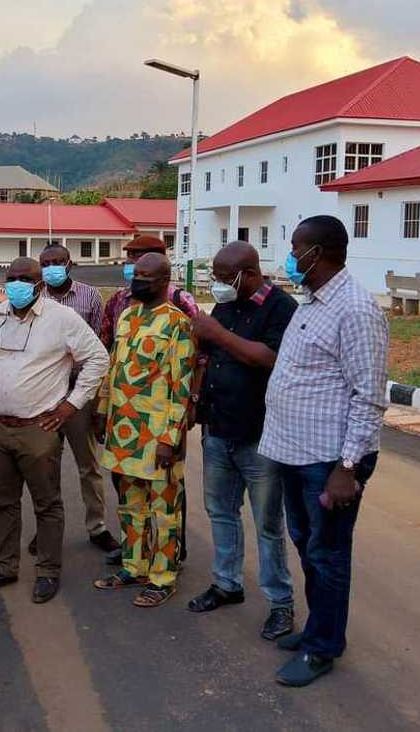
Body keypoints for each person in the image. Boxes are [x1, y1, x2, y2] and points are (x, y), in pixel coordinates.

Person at [258, 215, 388, 687]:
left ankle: (322, 648)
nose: (291, 256)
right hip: (296, 452)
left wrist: (347, 467)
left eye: (296, 247)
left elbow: (369, 395)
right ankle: (319, 628)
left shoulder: (355, 309)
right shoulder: (312, 302)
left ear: (318, 252)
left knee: (328, 553)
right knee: (307, 545)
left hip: (330, 461)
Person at [0, 257, 109, 604]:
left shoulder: (62, 318)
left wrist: (71, 404)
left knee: (47, 503)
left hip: (39, 428)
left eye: (25, 279)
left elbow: (98, 358)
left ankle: (48, 570)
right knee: (2, 502)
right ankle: (4, 565)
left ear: (40, 284)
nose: (17, 284)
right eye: (12, 277)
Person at [187, 241, 298, 641]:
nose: (217, 285)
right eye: (214, 277)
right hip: (219, 430)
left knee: (268, 523)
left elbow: (267, 358)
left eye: (223, 278)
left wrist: (215, 332)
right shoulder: (227, 306)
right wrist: (196, 397)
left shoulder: (281, 308)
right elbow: (209, 356)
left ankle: (280, 602)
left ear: (248, 274)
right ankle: (226, 584)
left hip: (260, 437)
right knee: (221, 512)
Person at [93, 253, 195, 608]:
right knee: (130, 506)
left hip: (158, 435)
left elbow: (181, 387)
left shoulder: (178, 323)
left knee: (164, 512)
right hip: (123, 431)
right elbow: (113, 367)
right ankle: (133, 567)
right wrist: (102, 410)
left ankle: (163, 578)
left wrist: (171, 438)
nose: (136, 280)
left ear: (165, 280)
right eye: (135, 274)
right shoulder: (127, 316)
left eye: (145, 276)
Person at [38, 243, 120, 555]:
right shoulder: (35, 295)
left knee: (88, 465)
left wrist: (96, 397)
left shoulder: (90, 296)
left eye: (58, 262)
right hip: (45, 393)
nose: (52, 268)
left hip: (79, 392)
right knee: (46, 465)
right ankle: (47, 529)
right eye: (46, 263)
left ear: (70, 264)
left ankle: (97, 526)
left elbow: (99, 345)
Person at [100, 234, 198, 347]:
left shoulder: (180, 300)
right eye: (128, 255)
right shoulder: (118, 300)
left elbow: (195, 343)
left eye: (136, 256)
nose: (128, 261)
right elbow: (106, 342)